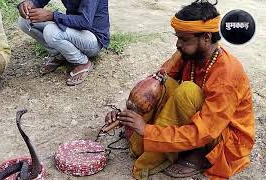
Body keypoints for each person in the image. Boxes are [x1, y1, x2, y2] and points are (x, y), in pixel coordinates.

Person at [105, 1, 255, 179]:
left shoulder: (228, 74)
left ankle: (198, 153)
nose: (178, 44)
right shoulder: (190, 54)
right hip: (199, 121)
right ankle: (171, 146)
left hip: (221, 135)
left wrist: (147, 130)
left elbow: (206, 131)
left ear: (206, 37)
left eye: (184, 39)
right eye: (177, 37)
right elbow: (155, 89)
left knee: (187, 91)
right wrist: (130, 112)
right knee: (164, 82)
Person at [17, 0, 110, 86]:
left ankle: (82, 62)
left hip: (93, 40)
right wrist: (29, 4)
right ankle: (59, 55)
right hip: (74, 30)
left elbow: (85, 22)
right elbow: (38, 1)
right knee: (25, 21)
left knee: (51, 32)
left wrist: (52, 15)